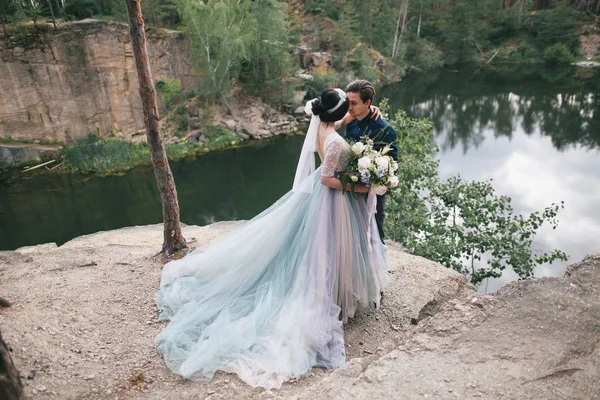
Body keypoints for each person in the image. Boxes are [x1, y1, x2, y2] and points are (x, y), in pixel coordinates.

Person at [154, 88, 390, 390]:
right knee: (327, 252)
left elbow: (341, 120)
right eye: (347, 107)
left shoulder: (323, 126)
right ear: (335, 113)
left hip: (326, 201)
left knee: (321, 251)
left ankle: (339, 294)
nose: (349, 111)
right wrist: (364, 188)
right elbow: (327, 178)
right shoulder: (332, 142)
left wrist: (366, 113)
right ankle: (332, 297)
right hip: (333, 199)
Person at [337, 80, 398, 242]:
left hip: (371, 195)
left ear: (368, 103)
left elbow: (392, 166)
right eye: (347, 102)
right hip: (348, 189)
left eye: (354, 103)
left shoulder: (384, 129)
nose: (349, 107)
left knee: (374, 235)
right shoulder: (351, 119)